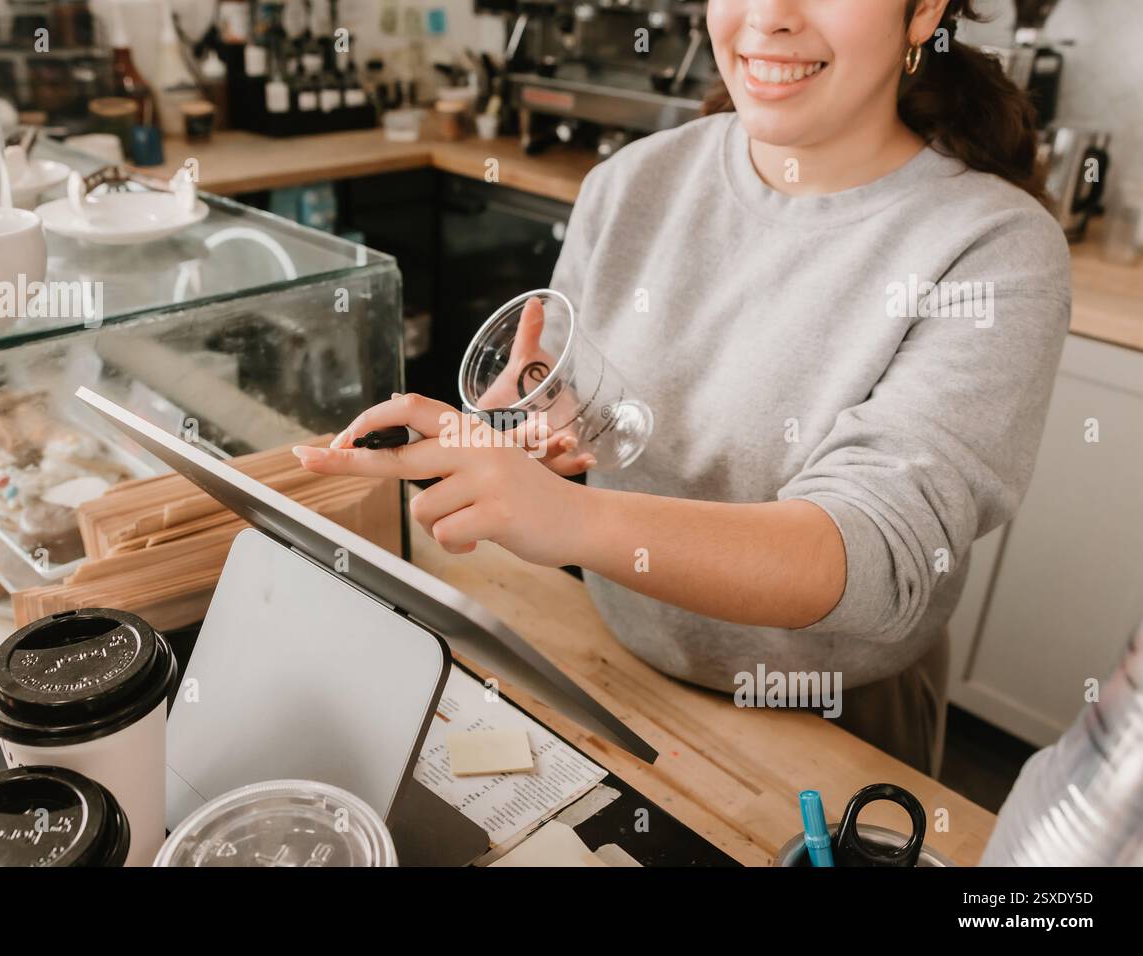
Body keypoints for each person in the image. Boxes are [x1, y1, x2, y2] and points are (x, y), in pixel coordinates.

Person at [293, 0, 1072, 777]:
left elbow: (882, 552)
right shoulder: (635, 179)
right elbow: (570, 388)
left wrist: (571, 517)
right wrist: (545, 423)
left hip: (830, 722)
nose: (769, 16)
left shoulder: (992, 247)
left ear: (924, 10)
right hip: (610, 657)